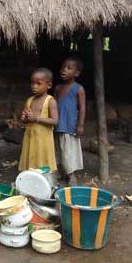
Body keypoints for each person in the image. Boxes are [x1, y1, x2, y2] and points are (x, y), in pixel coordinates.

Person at [53, 57, 86, 185]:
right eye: (63, 67)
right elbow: (54, 105)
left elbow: (82, 107)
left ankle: (72, 175)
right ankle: (62, 172)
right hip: (58, 124)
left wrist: (81, 125)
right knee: (59, 149)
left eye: (69, 68)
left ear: (76, 73)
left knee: (69, 151)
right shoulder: (58, 88)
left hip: (70, 124)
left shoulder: (78, 89)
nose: (64, 70)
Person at [19, 68, 58, 171]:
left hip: (43, 139)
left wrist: (36, 119)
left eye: (38, 83)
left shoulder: (50, 101)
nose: (34, 86)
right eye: (32, 83)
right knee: (30, 159)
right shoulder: (29, 100)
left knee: (42, 160)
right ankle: (30, 179)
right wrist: (24, 118)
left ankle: (44, 181)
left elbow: (54, 121)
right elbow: (24, 120)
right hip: (30, 137)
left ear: (49, 85)